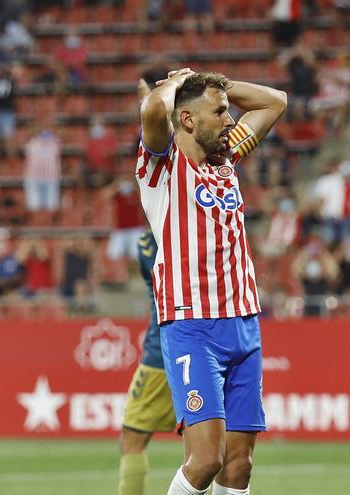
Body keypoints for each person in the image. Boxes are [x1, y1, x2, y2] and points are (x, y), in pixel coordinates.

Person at [136, 68, 286, 495]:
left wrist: (217, 85)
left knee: (239, 467)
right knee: (205, 461)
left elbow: (276, 100)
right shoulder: (161, 169)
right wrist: (177, 83)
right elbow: (152, 108)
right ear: (187, 120)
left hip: (243, 324)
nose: (230, 120)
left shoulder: (227, 158)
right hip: (191, 327)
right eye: (220, 112)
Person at [118, 229, 177, 495]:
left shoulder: (148, 242)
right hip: (205, 348)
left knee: (133, 438)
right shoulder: (202, 228)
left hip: (161, 354)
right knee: (204, 446)